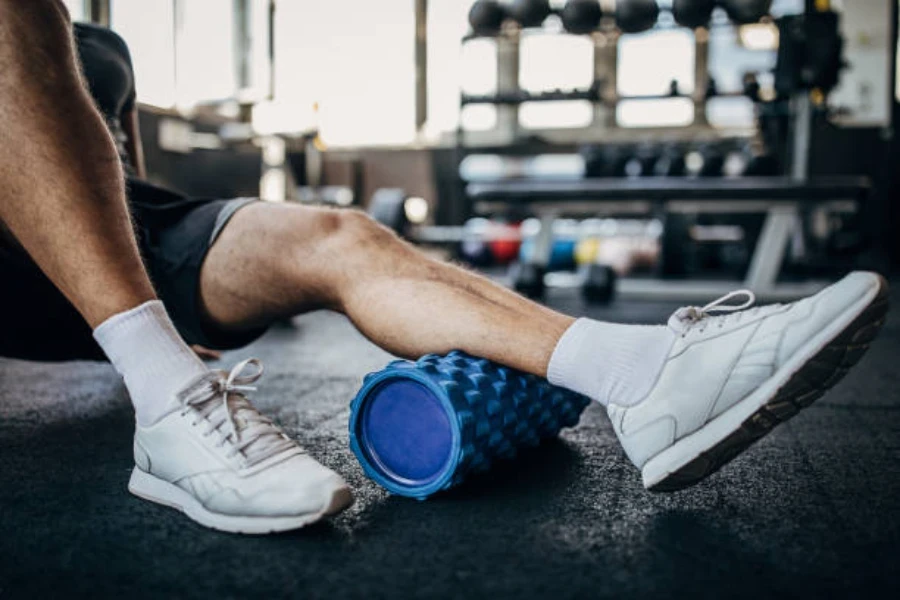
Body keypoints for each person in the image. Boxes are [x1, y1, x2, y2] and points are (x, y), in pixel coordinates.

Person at [0, 2, 888, 534]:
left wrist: (145, 301)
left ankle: (647, 376)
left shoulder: (89, 44)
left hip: (126, 243)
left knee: (340, 235)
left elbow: (110, 160)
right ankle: (162, 411)